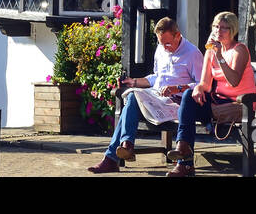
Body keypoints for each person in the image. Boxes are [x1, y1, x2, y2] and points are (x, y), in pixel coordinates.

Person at [87, 17, 205, 174]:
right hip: (157, 98)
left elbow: (201, 84)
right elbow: (157, 77)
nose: (165, 47)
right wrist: (134, 82)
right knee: (132, 96)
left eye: (168, 43)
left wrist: (177, 88)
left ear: (178, 35)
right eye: (161, 43)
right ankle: (126, 145)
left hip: (177, 104)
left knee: (129, 106)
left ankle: (112, 158)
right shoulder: (161, 49)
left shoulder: (192, 54)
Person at [165, 10, 256, 177]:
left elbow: (234, 81)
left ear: (233, 30)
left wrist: (220, 56)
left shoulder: (239, 50)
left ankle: (183, 163)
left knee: (189, 111)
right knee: (188, 96)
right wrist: (198, 89)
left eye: (223, 28)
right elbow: (205, 84)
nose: (218, 31)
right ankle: (183, 149)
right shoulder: (210, 51)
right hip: (218, 101)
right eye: (215, 27)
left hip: (241, 103)